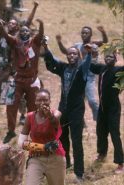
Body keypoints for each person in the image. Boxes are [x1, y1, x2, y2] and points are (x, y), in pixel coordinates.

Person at [43, 42, 92, 182]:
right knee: (62, 137)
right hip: (63, 109)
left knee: (77, 141)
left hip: (76, 110)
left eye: (74, 53)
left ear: (78, 56)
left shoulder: (81, 69)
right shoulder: (64, 68)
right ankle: (67, 163)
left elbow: (87, 64)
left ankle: (79, 173)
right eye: (69, 53)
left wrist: (88, 53)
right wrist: (46, 48)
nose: (71, 55)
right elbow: (53, 61)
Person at [0, 7, 44, 143]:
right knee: (10, 104)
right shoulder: (15, 42)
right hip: (16, 78)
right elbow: (5, 35)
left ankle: (35, 131)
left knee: (33, 107)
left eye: (26, 31)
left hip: (31, 80)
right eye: (22, 31)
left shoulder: (35, 43)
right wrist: (1, 27)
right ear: (19, 33)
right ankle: (10, 131)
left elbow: (40, 34)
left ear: (30, 33)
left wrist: (41, 24)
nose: (24, 32)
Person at [0, 0, 39, 123]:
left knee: (16, 93)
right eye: (9, 23)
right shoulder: (2, 34)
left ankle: (22, 115)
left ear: (17, 26)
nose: (11, 25)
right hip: (3, 69)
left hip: (15, 70)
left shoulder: (19, 37)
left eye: (14, 23)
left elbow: (27, 22)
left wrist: (34, 8)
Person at [56, 26, 108, 122]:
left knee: (92, 101)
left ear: (91, 35)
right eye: (82, 33)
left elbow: (105, 42)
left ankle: (98, 119)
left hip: (89, 77)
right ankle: (80, 120)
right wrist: (59, 42)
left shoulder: (93, 45)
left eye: (86, 33)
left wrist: (103, 31)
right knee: (78, 99)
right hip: (78, 76)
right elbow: (66, 51)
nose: (84, 35)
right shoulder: (77, 46)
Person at [18, 89, 65, 185]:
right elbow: (21, 143)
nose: (42, 103)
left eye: (45, 100)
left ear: (50, 101)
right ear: (35, 101)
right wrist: (43, 147)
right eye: (39, 100)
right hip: (36, 158)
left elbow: (55, 121)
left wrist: (50, 115)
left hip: (55, 158)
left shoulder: (56, 113)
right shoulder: (30, 117)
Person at [90, 52, 124, 174]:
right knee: (100, 131)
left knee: (115, 134)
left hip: (113, 108)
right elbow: (91, 66)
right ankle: (102, 153)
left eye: (111, 57)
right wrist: (92, 55)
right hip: (102, 108)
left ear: (115, 60)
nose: (108, 58)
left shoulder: (118, 70)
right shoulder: (102, 68)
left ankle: (120, 163)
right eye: (107, 57)